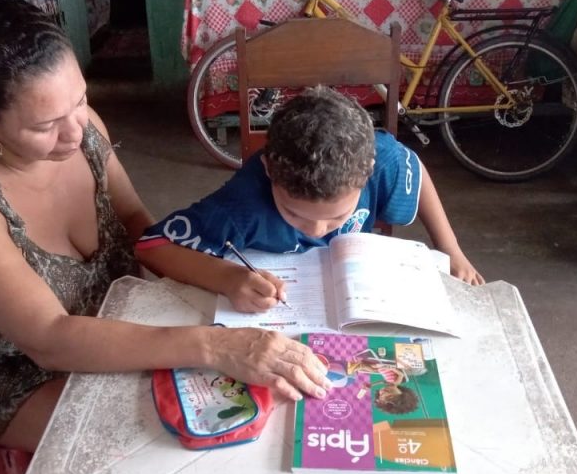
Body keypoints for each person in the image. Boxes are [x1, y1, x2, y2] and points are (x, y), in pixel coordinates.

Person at [0, 0, 330, 453]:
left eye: (79, 100)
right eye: (45, 125)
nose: (75, 132)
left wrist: (221, 275)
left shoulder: (80, 129)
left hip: (113, 315)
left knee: (257, 407)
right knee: (173, 442)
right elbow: (50, 339)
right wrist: (216, 345)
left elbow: (133, 221)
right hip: (15, 371)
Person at [136, 86, 484, 313]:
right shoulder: (241, 206)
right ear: (269, 170)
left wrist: (450, 248)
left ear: (368, 175)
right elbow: (150, 247)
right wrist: (228, 278)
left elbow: (414, 167)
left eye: (337, 218)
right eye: (293, 212)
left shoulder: (382, 159)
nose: (318, 230)